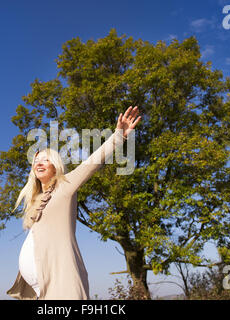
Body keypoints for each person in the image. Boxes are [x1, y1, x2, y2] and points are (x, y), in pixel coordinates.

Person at [7, 106, 141, 300]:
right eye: (36, 161)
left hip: (63, 283)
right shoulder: (35, 201)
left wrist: (118, 136)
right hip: (39, 290)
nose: (39, 163)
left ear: (55, 166)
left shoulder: (65, 186)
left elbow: (93, 162)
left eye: (46, 160)